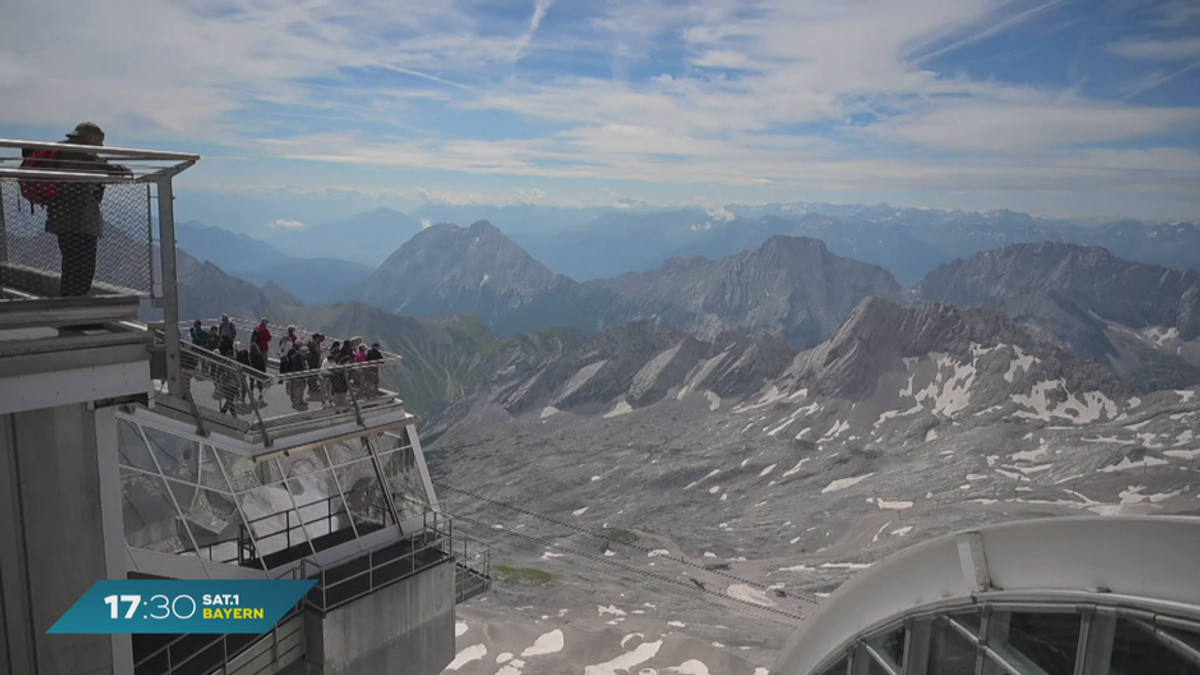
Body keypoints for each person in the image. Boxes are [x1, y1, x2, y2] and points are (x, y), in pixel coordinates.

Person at [41, 122, 131, 298]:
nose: (102, 146)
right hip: (79, 222)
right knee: (83, 270)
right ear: (90, 138)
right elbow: (99, 166)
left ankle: (68, 311)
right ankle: (74, 313)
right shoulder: (78, 154)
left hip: (62, 219)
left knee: (70, 266)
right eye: (100, 141)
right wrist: (119, 170)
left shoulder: (63, 151)